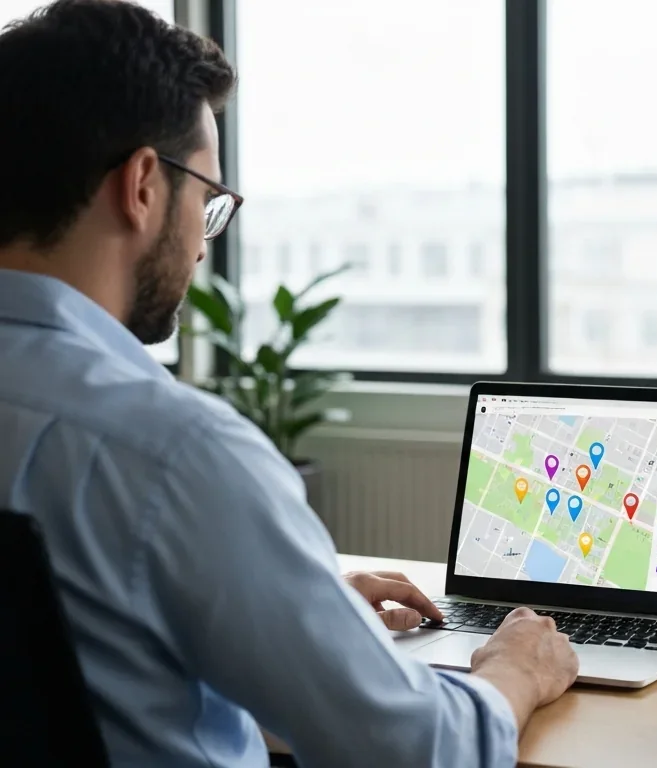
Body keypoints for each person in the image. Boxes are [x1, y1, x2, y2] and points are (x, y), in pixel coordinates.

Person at [0, 2, 578, 766]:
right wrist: (516, 670)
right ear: (141, 185)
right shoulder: (173, 453)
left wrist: (297, 614)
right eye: (207, 199)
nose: (202, 245)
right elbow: (420, 751)